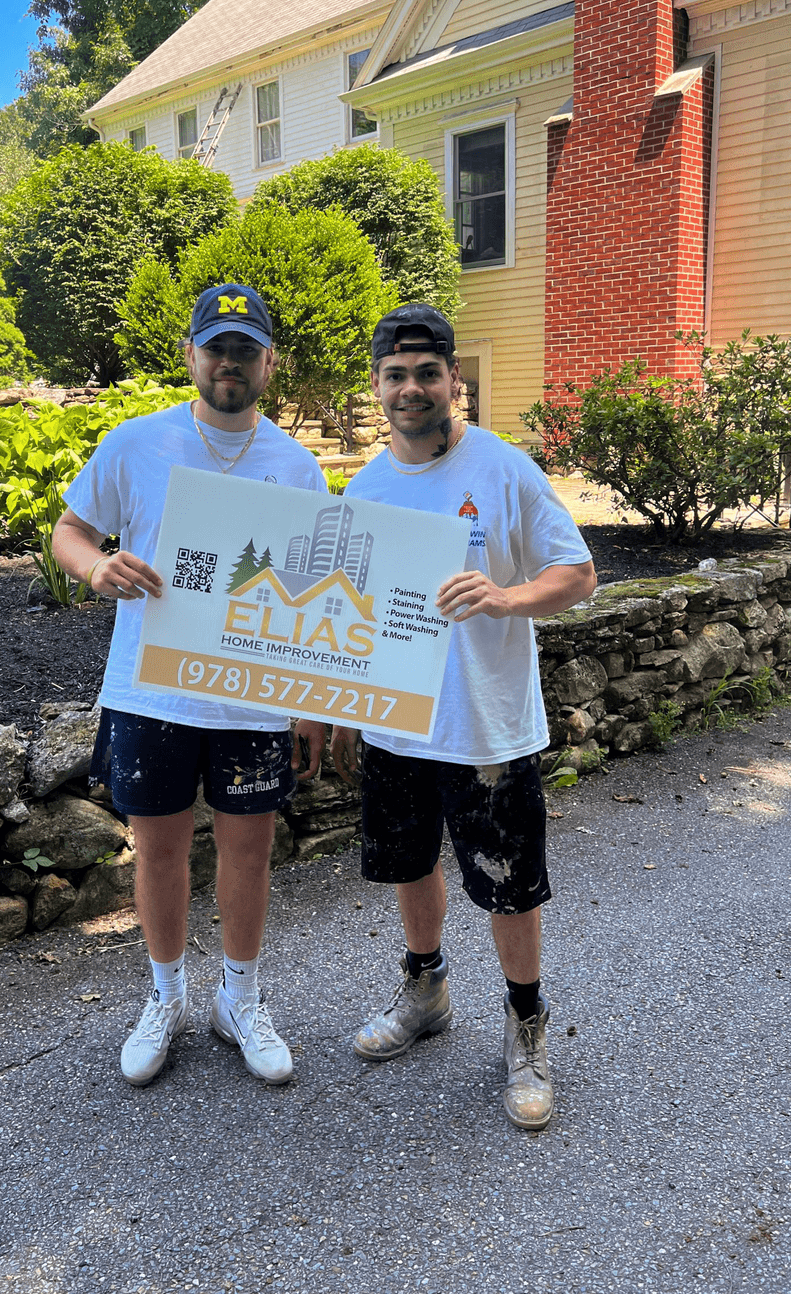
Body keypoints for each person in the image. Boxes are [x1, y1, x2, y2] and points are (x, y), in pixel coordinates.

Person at [53, 284, 327, 1087]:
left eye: (245, 350)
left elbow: (317, 594)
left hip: (254, 696)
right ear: (190, 355)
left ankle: (238, 999)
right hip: (152, 692)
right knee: (160, 850)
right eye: (216, 348)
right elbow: (71, 530)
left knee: (250, 850)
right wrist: (96, 567)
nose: (228, 363)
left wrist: (312, 700)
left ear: (269, 363)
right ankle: (166, 996)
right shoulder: (137, 443)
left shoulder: (296, 465)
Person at [330, 303, 596, 1130]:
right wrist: (333, 705)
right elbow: (345, 609)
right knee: (409, 863)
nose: (411, 388)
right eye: (395, 375)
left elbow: (578, 573)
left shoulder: (504, 470)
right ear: (377, 385)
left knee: (510, 883)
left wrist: (507, 597)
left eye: (427, 373)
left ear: (454, 380)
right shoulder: (365, 489)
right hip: (393, 720)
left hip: (485, 723)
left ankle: (526, 1022)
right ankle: (426, 992)